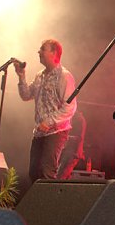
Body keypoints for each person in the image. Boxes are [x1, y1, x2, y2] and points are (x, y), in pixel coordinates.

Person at [14, 39, 77, 183]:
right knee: (34, 172)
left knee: (46, 171)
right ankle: (37, 204)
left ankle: (47, 205)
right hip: (40, 132)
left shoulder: (64, 76)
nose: (39, 52)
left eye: (43, 49)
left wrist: (48, 122)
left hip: (56, 132)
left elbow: (70, 107)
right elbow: (26, 95)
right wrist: (21, 76)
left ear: (54, 53)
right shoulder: (39, 76)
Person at [56, 111, 86, 180]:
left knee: (60, 176)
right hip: (69, 151)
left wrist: (65, 137)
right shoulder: (75, 118)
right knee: (61, 175)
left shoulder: (78, 119)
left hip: (72, 152)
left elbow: (78, 137)